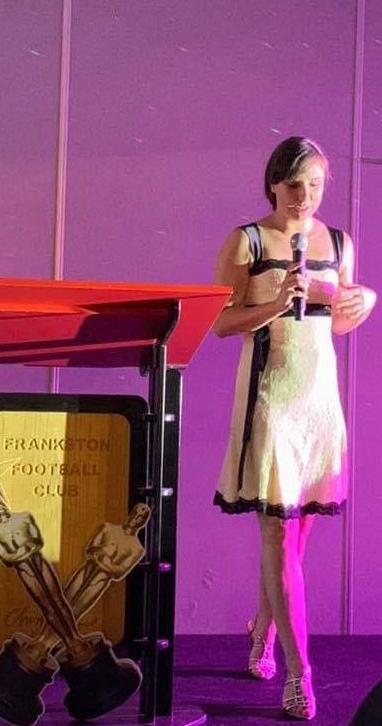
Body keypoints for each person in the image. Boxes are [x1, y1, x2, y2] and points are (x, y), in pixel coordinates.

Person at [212, 137, 376, 720]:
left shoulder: (340, 242)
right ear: (273, 184)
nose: (304, 196)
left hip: (316, 401)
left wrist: (363, 300)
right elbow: (221, 323)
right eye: (293, 185)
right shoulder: (248, 240)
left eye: (315, 185)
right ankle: (301, 675)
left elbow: (336, 327)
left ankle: (261, 630)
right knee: (279, 536)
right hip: (269, 399)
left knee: (295, 540)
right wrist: (277, 303)